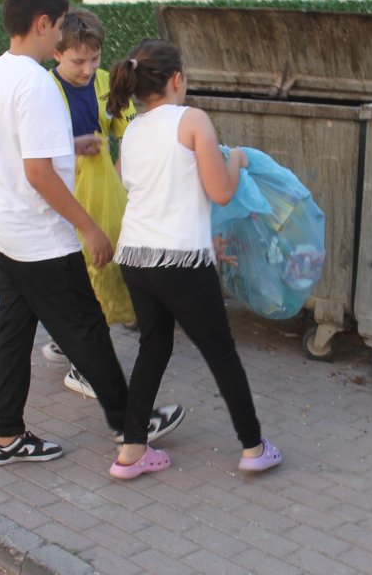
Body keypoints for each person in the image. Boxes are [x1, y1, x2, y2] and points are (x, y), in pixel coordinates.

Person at [0, 0, 183, 466]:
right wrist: (88, 227)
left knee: (14, 328)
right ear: (44, 23)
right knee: (86, 326)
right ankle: (131, 423)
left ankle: (5, 436)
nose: (61, 34)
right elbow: (39, 172)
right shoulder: (38, 86)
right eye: (60, 23)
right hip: (35, 233)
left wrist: (72, 147)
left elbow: (21, 152)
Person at [103, 39, 282, 479]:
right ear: (176, 79)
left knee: (153, 347)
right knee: (220, 352)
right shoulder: (193, 120)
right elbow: (220, 190)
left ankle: (131, 450)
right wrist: (237, 159)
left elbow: (145, 188)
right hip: (182, 260)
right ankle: (253, 446)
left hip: (136, 256)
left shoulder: (133, 130)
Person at [40, 7, 138, 400]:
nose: (87, 68)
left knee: (102, 271)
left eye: (94, 59)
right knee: (72, 274)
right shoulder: (43, 90)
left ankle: (77, 352)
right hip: (60, 195)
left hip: (104, 195)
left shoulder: (105, 84)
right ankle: (82, 360)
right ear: (57, 54)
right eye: (78, 60)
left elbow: (128, 129)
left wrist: (120, 166)